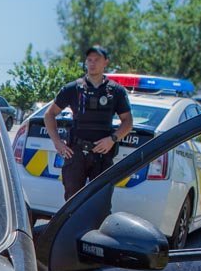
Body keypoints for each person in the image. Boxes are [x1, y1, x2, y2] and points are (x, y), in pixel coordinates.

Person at [44, 45, 134, 201]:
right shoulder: (72, 89)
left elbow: (128, 122)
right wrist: (57, 142)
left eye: (97, 60)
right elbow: (49, 114)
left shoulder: (116, 91)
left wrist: (112, 139)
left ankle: (96, 226)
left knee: (100, 203)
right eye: (89, 60)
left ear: (106, 62)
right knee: (72, 203)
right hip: (76, 153)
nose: (92, 63)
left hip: (102, 155)